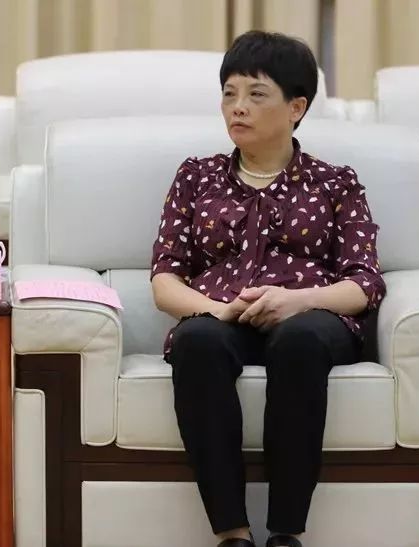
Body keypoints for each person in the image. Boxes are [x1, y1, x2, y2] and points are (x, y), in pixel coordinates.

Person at [150, 31, 386, 547]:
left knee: (299, 340)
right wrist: (217, 309)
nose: (238, 107)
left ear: (296, 107)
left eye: (256, 94)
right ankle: (232, 533)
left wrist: (299, 301)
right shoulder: (196, 177)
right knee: (196, 341)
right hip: (222, 315)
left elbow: (365, 283)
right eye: (229, 93)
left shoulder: (335, 183)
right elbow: (165, 279)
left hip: (312, 318)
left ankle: (285, 532)